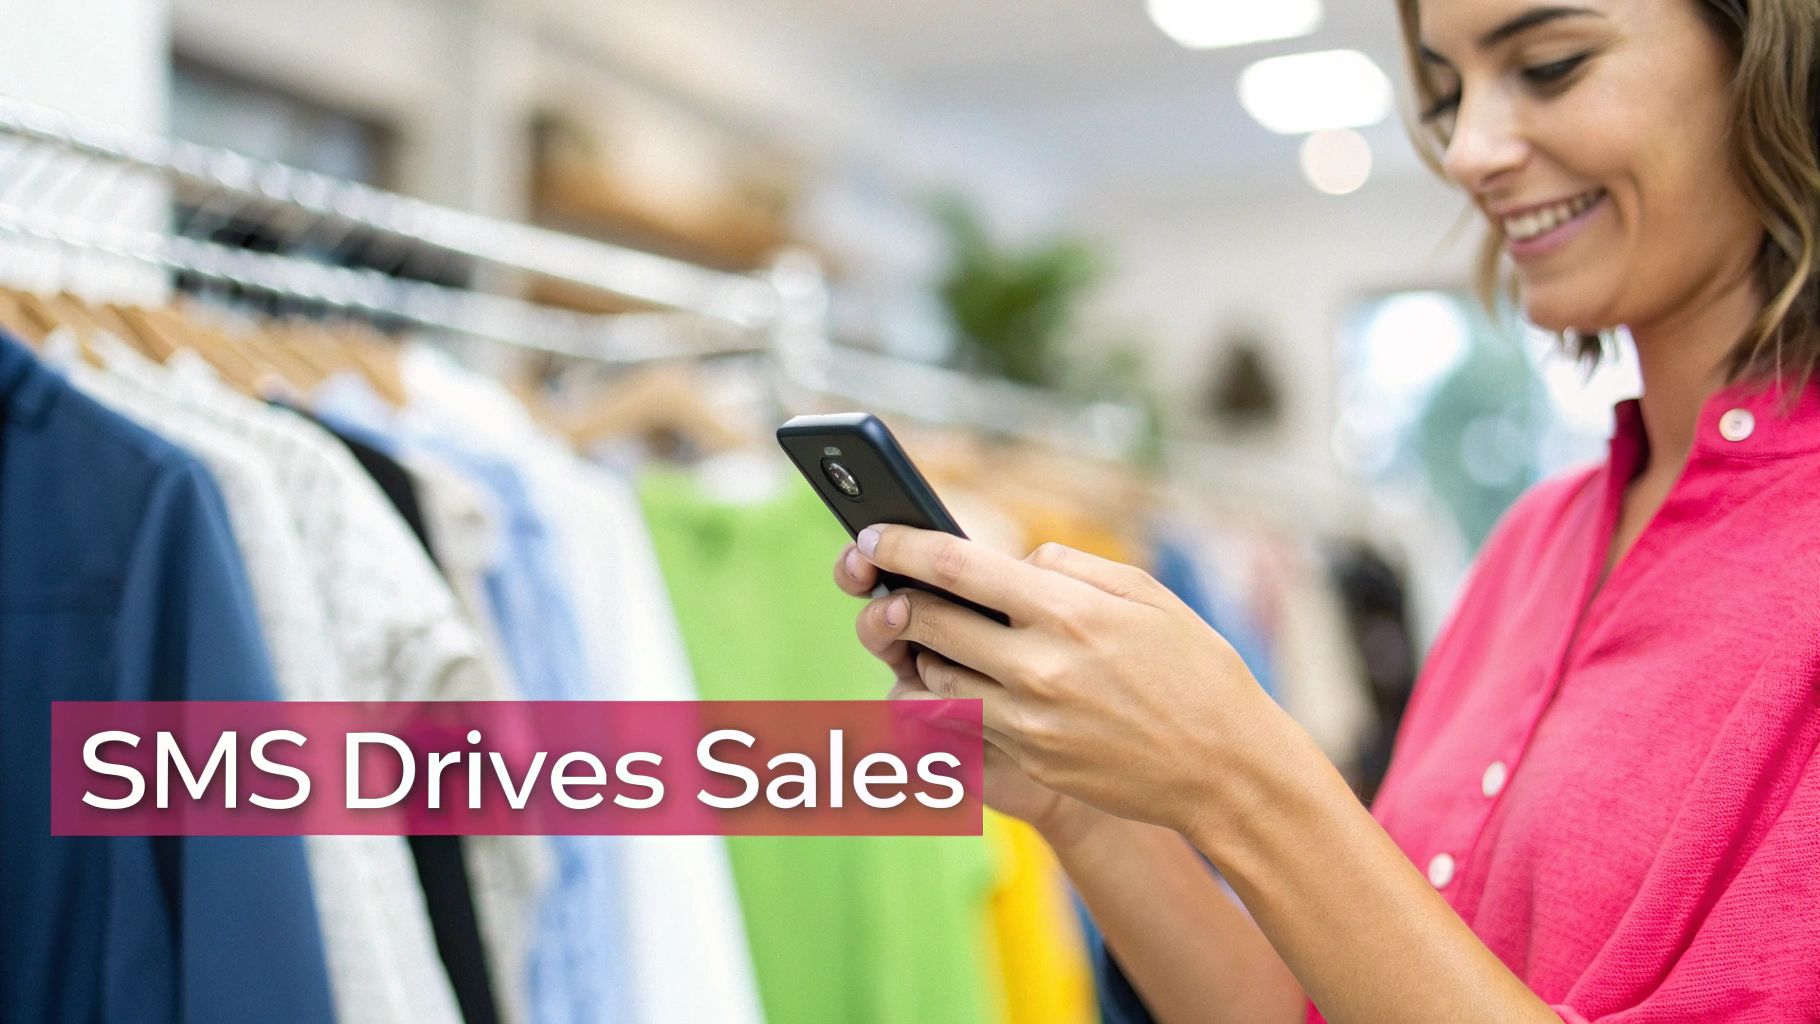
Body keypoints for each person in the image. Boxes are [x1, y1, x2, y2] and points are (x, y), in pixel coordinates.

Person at [832, 0, 1820, 1019]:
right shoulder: (1536, 544)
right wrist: (1079, 807)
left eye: (1549, 65)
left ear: (1769, 60)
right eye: (1444, 94)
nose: (1470, 151)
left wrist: (1238, 773)